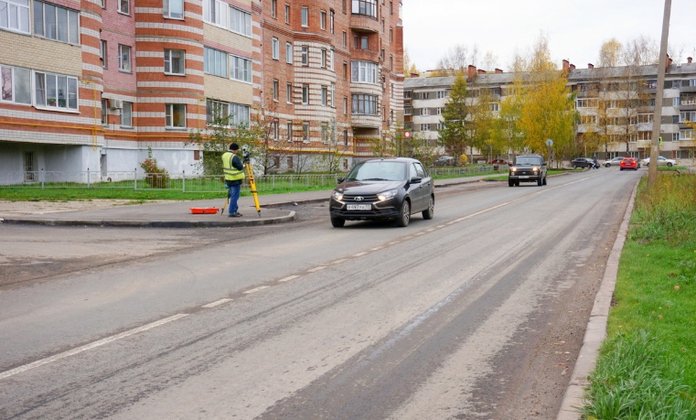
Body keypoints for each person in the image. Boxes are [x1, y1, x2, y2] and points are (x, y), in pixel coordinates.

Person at [221, 143, 245, 217]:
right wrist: (243, 165)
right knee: (235, 196)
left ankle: (234, 210)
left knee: (233, 195)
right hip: (235, 179)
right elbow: (240, 167)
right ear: (235, 149)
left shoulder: (224, 155)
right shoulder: (234, 157)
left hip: (228, 178)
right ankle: (232, 212)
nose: (237, 151)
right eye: (237, 150)